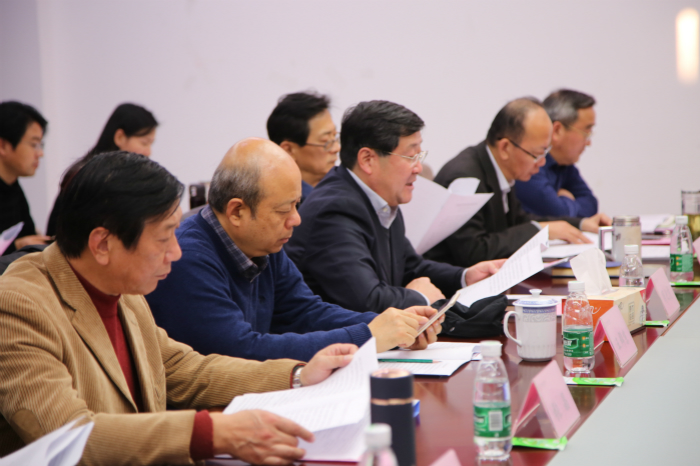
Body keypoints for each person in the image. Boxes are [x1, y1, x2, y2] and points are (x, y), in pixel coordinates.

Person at [0, 151, 357, 465]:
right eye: (163, 237)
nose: (176, 252)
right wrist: (211, 433)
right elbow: (70, 438)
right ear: (103, 244)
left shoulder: (122, 287)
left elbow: (181, 368)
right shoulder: (18, 306)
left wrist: (297, 376)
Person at [146, 137, 441, 362]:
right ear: (237, 211)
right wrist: (368, 335)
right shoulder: (188, 258)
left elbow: (305, 312)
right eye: (283, 210)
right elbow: (239, 350)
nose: (296, 220)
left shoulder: (264, 243)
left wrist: (393, 324)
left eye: (296, 205)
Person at [285, 100, 505, 314]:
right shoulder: (334, 211)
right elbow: (367, 300)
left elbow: (411, 267)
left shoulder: (381, 199)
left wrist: (465, 276)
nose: (418, 168)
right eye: (410, 157)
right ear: (368, 159)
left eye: (419, 156)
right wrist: (421, 297)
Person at [425, 97, 610, 268]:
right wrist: (540, 230)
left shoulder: (499, 168)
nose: (542, 163)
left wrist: (580, 224)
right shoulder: (466, 179)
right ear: (505, 148)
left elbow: (519, 220)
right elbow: (474, 252)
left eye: (545, 153)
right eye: (536, 154)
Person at [46, 103, 158, 236]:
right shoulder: (88, 175)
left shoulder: (122, 175)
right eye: (144, 143)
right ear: (120, 137)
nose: (148, 152)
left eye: (150, 144)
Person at [515, 89, 609, 219]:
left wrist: (563, 202)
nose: (588, 143)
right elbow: (557, 213)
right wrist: (567, 198)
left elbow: (591, 205)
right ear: (557, 130)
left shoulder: (564, 164)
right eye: (586, 132)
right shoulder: (530, 163)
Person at [267, 92, 339, 203]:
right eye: (325, 141)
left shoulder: (341, 190)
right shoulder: (280, 205)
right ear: (288, 150)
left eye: (334, 136)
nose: (336, 148)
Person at [0, 101, 50, 255]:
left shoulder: (13, 187)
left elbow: (28, 233)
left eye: (41, 145)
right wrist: (17, 245)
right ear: (3, 146)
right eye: (34, 144)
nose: (40, 153)